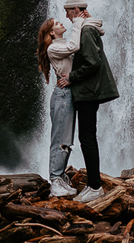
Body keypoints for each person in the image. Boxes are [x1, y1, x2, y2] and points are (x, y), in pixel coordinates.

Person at [57, 0, 118, 203]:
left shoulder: (86, 30)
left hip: (88, 92)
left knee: (88, 138)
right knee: (87, 138)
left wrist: (71, 77)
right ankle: (93, 184)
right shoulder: (85, 28)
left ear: (76, 10)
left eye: (67, 11)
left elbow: (93, 62)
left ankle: (94, 186)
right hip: (87, 92)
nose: (65, 16)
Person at [36, 14, 94, 197]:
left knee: (66, 140)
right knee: (60, 138)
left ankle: (60, 178)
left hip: (70, 93)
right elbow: (74, 46)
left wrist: (88, 21)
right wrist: (77, 21)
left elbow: (78, 46)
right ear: (52, 33)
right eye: (57, 24)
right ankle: (55, 181)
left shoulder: (62, 45)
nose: (62, 23)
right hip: (62, 95)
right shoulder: (54, 48)